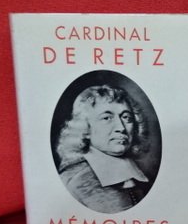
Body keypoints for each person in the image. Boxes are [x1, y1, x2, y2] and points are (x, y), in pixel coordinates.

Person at [56, 84, 151, 213]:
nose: (121, 128)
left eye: (126, 118)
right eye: (107, 118)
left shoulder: (141, 176)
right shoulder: (74, 180)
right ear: (86, 128)